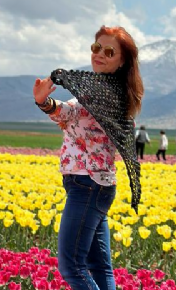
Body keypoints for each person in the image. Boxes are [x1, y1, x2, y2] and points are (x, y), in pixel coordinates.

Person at [33, 25, 143, 290]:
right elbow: (72, 114)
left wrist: (44, 102)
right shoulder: (112, 90)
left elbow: (70, 113)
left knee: (71, 267)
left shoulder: (103, 92)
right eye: (96, 48)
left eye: (109, 51)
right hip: (97, 185)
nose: (99, 54)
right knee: (99, 267)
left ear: (122, 61)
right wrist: (46, 103)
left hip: (87, 185)